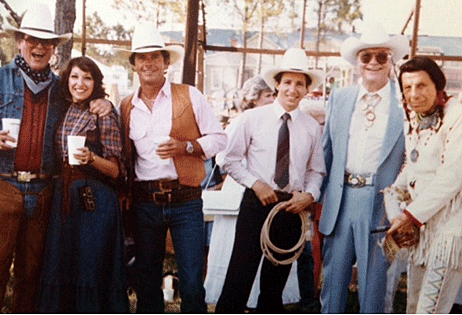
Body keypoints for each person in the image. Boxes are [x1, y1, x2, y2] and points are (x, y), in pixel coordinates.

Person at [0, 4, 112, 312]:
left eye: (46, 42)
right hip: (2, 187)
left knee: (34, 276)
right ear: (19, 41)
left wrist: (102, 103)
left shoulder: (62, 87)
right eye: (32, 39)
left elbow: (86, 102)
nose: (39, 47)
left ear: (55, 48)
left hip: (45, 192)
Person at [118, 23, 227, 313]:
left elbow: (219, 139)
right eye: (141, 57)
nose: (148, 63)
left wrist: (186, 147)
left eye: (155, 56)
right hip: (144, 202)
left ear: (166, 63)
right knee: (147, 280)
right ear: (134, 65)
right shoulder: (126, 106)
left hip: (185, 201)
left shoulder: (190, 95)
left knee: (192, 282)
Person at [215, 48, 326, 313]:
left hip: (290, 207)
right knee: (239, 276)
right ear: (277, 84)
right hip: (256, 203)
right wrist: (255, 183)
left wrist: (309, 195)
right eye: (287, 82)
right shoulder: (252, 118)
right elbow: (228, 159)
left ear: (307, 89)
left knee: (275, 282)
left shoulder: (311, 127)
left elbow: (316, 171)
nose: (292, 89)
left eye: (300, 83)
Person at [318, 20, 409, 313]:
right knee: (333, 282)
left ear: (390, 61)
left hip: (381, 202)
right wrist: (317, 197)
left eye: (381, 56)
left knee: (375, 286)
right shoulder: (340, 98)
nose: (373, 62)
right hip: (341, 198)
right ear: (357, 62)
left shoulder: (403, 101)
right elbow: (326, 153)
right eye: (366, 56)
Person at [38, 57, 129, 312]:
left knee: (90, 266)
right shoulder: (61, 108)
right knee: (62, 263)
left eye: (87, 78)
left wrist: (92, 158)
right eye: (75, 77)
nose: (80, 83)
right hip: (63, 197)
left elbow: (115, 170)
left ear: (96, 83)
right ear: (66, 80)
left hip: (94, 201)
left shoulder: (104, 114)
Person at [386, 56, 462, 314]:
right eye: (407, 88)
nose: (414, 94)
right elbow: (412, 168)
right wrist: (394, 205)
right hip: (421, 227)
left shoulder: (458, 114)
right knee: (414, 303)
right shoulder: (415, 118)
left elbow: (453, 175)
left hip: (450, 225)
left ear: (438, 87)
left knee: (430, 308)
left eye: (421, 86)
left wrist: (410, 216)